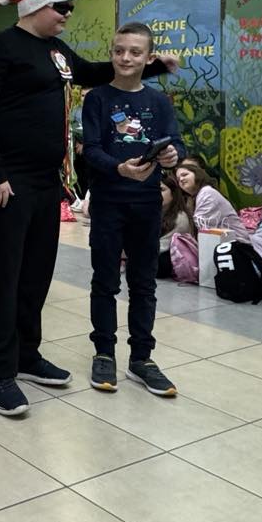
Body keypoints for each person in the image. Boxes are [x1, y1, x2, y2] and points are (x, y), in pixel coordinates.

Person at [0, 0, 170, 416]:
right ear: (35, 4)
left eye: (71, 7)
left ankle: (26, 354)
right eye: (61, 6)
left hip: (45, 181)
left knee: (35, 274)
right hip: (6, 182)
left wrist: (152, 66)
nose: (67, 14)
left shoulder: (56, 50)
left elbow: (92, 72)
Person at [82, 22, 182, 397]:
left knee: (143, 283)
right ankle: (103, 353)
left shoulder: (159, 102)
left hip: (147, 204)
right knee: (105, 282)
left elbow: (176, 145)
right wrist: (118, 168)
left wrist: (172, 156)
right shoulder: (97, 99)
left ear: (148, 58)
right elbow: (91, 150)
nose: (125, 58)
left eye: (135, 52)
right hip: (108, 201)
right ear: (112, 53)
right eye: (119, 50)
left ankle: (142, 358)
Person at [169, 157, 247, 285]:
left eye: (185, 175)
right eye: (178, 179)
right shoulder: (198, 196)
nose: (181, 180)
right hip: (224, 248)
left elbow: (204, 230)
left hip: (236, 249)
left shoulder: (207, 193)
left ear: (198, 174)